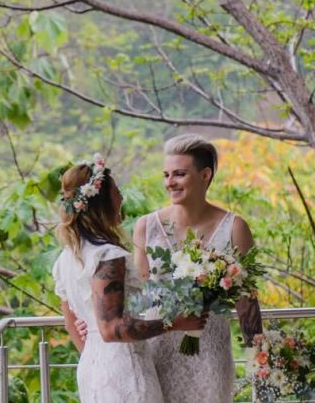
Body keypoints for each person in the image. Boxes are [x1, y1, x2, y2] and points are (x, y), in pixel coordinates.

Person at [52, 155, 205, 403]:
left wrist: (99, 360)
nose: (121, 198)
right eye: (117, 192)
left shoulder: (66, 258)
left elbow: (72, 324)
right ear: (102, 203)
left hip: (92, 368)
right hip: (126, 371)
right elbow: (112, 329)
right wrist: (177, 323)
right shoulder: (108, 256)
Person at [134, 134, 263, 403]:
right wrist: (97, 322)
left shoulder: (234, 227)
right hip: (158, 350)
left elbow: (247, 302)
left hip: (211, 353)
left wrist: (259, 359)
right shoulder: (146, 227)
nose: (169, 182)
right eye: (166, 174)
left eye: (179, 174)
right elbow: (139, 296)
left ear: (205, 175)